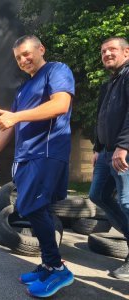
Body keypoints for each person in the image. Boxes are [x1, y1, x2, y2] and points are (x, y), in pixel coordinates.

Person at [0, 35, 75, 298]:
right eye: (17, 58)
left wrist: (17, 115)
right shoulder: (24, 90)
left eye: (26, 54)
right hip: (26, 157)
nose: (23, 60)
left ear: (41, 49)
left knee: (33, 207)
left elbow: (61, 104)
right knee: (30, 207)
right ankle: (48, 263)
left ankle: (58, 268)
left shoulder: (57, 70)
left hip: (47, 152)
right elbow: (9, 124)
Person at [89, 36, 129, 281]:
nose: (106, 54)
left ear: (126, 52)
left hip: (122, 152)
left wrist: (124, 145)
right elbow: (101, 117)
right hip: (105, 152)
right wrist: (97, 146)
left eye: (112, 49)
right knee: (97, 195)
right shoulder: (109, 84)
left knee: (126, 201)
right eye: (103, 51)